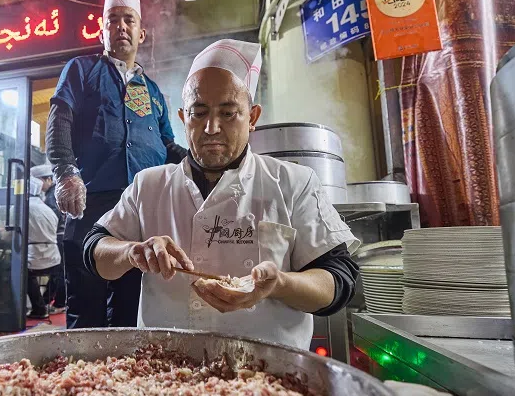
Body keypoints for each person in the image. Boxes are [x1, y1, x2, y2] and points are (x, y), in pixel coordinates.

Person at [84, 40, 360, 350]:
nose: (211, 127)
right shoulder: (149, 185)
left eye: (228, 114)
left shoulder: (293, 183)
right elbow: (95, 250)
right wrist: (132, 252)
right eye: (198, 113)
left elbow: (338, 281)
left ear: (252, 117)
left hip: (266, 378)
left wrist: (279, 284)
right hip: (164, 376)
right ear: (181, 117)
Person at [47, 0, 187, 329]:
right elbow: (60, 118)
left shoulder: (151, 91)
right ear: (102, 30)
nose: (120, 27)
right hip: (90, 205)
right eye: (112, 20)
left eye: (128, 20)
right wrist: (65, 171)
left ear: (141, 34)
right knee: (86, 309)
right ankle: (78, 381)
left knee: (132, 310)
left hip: (142, 210)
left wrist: (200, 165)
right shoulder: (81, 70)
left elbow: (168, 147)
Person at [24, 175, 61, 319]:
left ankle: (38, 308)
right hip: (53, 257)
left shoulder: (25, 208)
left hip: (36, 257)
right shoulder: (47, 209)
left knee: (14, 271)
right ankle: (43, 303)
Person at [31, 163, 65, 311]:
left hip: (58, 237)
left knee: (60, 273)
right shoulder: (52, 194)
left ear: (47, 180)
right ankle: (49, 301)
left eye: (39, 181)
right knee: (59, 273)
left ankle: (58, 303)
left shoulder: (52, 197)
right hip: (57, 237)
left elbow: (53, 221)